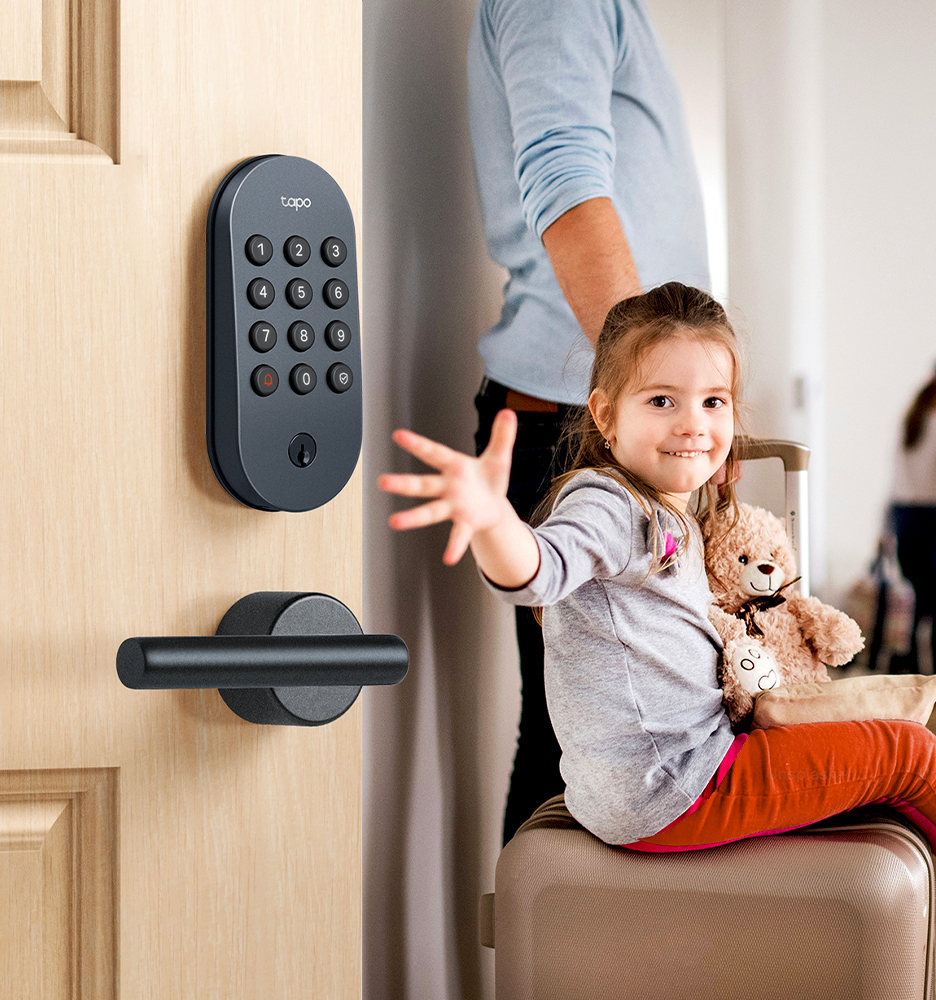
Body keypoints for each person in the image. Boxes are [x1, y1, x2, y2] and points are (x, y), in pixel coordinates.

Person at [380, 283, 936, 851]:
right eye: (662, 401)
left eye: (713, 402)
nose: (693, 425)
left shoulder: (662, 503)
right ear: (605, 414)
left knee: (890, 740)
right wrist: (494, 520)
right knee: (912, 754)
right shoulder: (608, 505)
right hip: (677, 787)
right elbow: (540, 569)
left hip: (668, 776)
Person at [468, 0, 711, 843]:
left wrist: (681, 414)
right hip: (587, 426)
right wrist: (664, 404)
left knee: (620, 743)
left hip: (609, 416)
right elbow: (567, 182)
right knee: (582, 753)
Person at [888, 365, 936, 675]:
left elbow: (896, 478)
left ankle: (919, 676)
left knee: (920, 601)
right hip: (931, 517)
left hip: (905, 515)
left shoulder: (914, 417)